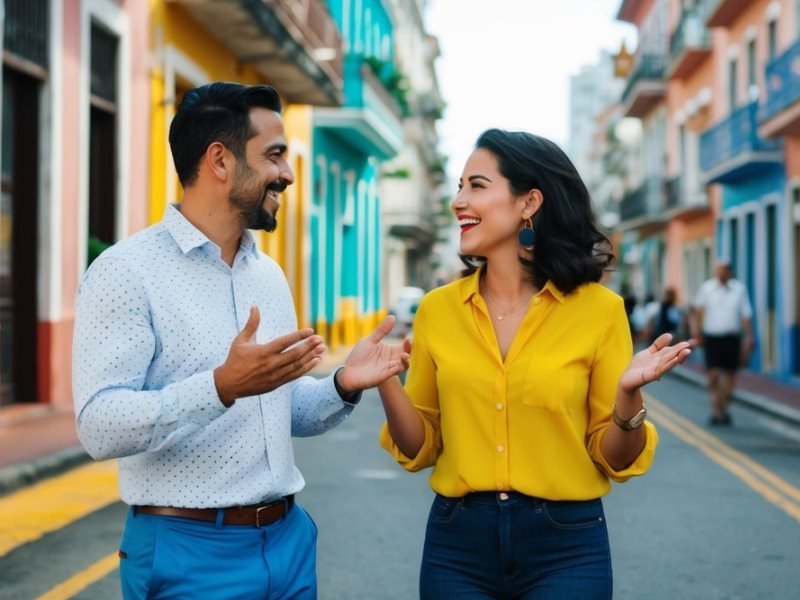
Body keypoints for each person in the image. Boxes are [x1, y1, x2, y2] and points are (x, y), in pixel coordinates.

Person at [72, 82, 408, 599]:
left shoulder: (267, 274)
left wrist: (342, 384)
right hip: (187, 552)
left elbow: (279, 407)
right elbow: (98, 425)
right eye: (275, 156)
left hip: (288, 544)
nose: (288, 175)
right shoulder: (125, 271)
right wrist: (221, 386)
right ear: (220, 161)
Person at [375, 129, 693, 599]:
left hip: (567, 547)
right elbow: (420, 445)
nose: (458, 201)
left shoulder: (600, 310)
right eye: (459, 186)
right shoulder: (439, 310)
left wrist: (628, 397)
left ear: (529, 202)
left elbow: (616, 459)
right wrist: (385, 383)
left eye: (477, 186)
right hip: (456, 543)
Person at [691, 259, 754, 426]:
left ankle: (723, 408)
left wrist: (749, 336)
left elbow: (746, 315)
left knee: (730, 375)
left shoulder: (739, 289)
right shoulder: (707, 288)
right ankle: (716, 408)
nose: (721, 272)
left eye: (724, 270)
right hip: (712, 337)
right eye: (718, 269)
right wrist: (697, 332)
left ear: (730, 272)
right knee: (713, 375)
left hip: (732, 338)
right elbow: (697, 311)